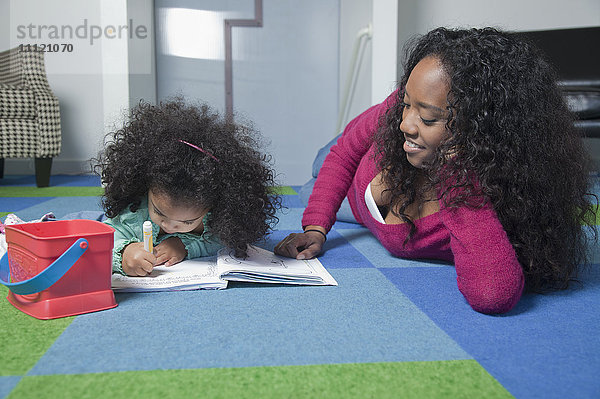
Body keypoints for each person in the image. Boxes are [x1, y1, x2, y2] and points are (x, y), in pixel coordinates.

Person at [275, 27, 597, 314]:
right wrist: (316, 228)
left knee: (306, 189)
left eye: (427, 118)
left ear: (479, 131)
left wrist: (455, 173)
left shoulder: (483, 204)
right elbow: (344, 153)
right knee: (323, 163)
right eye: (405, 104)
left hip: (358, 206)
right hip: (357, 164)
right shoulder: (398, 114)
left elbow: (492, 294)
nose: (404, 123)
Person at [94, 98, 280, 276]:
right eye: (160, 213)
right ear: (147, 187)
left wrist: (183, 245)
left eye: (188, 222)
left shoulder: (221, 219)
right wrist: (123, 254)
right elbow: (99, 244)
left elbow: (225, 242)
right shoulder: (133, 216)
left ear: (213, 206)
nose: (170, 227)